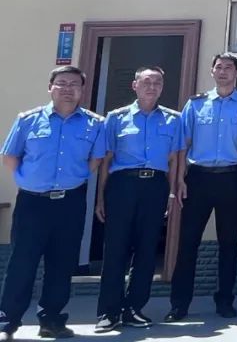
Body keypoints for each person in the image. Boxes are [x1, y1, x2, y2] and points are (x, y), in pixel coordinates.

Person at [0, 66, 106, 341]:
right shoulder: (28, 120)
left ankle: (51, 321)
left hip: (70, 202)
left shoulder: (95, 124)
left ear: (82, 90)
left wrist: (76, 178)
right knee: (22, 263)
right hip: (32, 203)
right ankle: (7, 321)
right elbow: (10, 157)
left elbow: (95, 160)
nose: (68, 89)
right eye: (61, 83)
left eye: (74, 84)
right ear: (50, 87)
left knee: (62, 263)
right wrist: (28, 180)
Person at [166, 53, 237, 322]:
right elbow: (182, 146)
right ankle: (179, 303)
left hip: (231, 178)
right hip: (198, 179)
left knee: (229, 243)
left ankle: (225, 301)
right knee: (188, 242)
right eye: (219, 67)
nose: (223, 71)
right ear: (212, 71)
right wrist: (179, 180)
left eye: (229, 67)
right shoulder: (195, 105)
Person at [94, 67, 182, 332]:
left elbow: (174, 160)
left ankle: (134, 308)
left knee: (146, 249)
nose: (152, 87)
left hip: (155, 186)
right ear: (135, 85)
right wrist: (101, 198)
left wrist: (171, 192)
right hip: (123, 185)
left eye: (157, 82)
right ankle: (108, 312)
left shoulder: (173, 119)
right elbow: (106, 161)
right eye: (146, 82)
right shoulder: (116, 118)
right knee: (116, 249)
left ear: (162, 87)